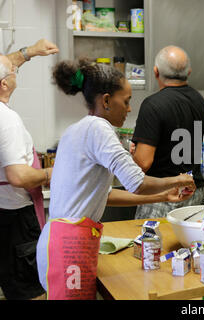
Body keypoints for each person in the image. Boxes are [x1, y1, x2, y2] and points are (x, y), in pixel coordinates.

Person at [36, 58, 195, 300]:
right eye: (127, 101)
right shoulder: (100, 130)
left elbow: (104, 194)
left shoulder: (76, 129)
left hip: (59, 241)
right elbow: (137, 182)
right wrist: (178, 179)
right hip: (69, 248)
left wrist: (162, 195)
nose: (129, 109)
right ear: (107, 100)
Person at [0, 39, 59, 300]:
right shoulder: (7, 119)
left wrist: (30, 52)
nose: (15, 72)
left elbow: (7, 63)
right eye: (13, 71)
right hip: (16, 222)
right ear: (4, 84)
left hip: (4, 215)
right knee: (30, 293)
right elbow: (18, 176)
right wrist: (50, 174)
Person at [132, 45, 204, 219]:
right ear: (188, 72)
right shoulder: (199, 100)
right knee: (187, 244)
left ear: (156, 72)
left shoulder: (153, 105)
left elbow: (143, 163)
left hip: (162, 194)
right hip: (193, 191)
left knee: (153, 245)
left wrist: (135, 153)